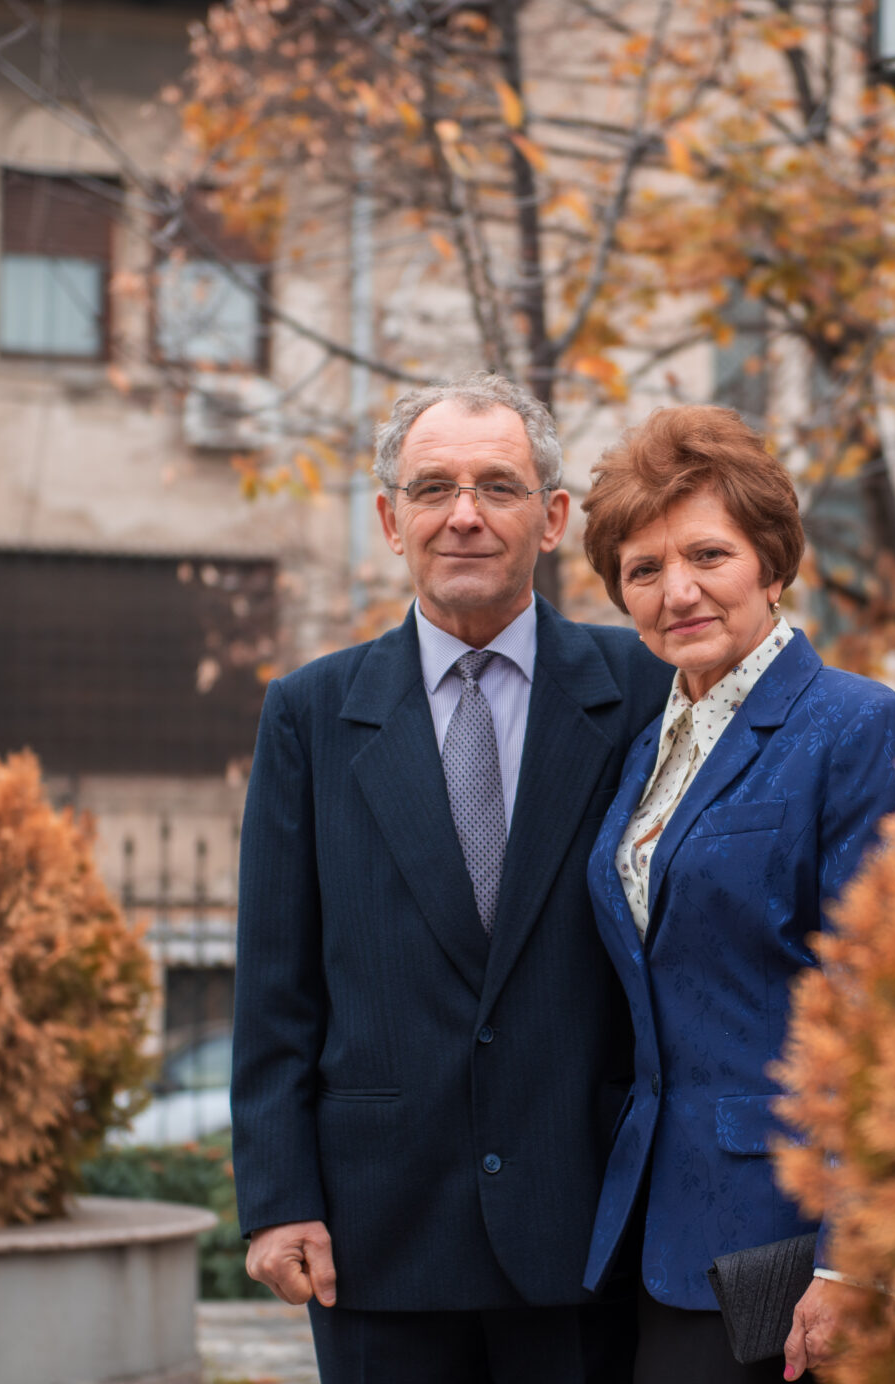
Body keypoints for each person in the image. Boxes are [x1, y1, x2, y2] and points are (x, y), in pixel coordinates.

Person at [230, 373, 673, 1384]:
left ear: (551, 518)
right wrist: (277, 1198)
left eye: (497, 486)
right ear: (391, 521)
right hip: (377, 1237)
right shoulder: (309, 714)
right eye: (432, 488)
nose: (463, 515)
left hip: (588, 1227)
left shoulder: (646, 692)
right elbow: (273, 984)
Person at [575, 406, 895, 1383]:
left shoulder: (856, 727)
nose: (676, 591)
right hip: (656, 1225)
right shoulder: (650, 752)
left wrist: (853, 1258)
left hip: (788, 1236)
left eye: (707, 555)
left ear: (771, 564)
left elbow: (888, 1006)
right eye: (643, 570)